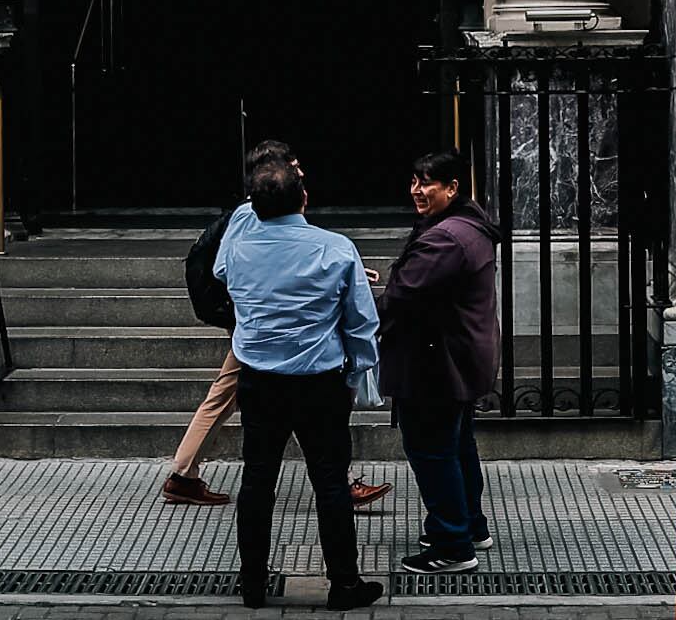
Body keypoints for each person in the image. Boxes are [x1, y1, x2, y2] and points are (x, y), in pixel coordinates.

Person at [168, 145, 389, 514]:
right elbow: (226, 267)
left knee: (230, 395)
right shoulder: (249, 213)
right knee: (246, 396)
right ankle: (183, 472)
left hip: (262, 323)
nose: (301, 174)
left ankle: (184, 472)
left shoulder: (283, 220)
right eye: (294, 166)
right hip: (262, 324)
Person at [215, 148, 387, 609]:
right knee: (330, 482)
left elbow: (223, 279)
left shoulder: (237, 248)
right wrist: (355, 372)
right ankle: (344, 584)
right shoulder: (334, 248)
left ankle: (252, 584)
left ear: (254, 206)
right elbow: (360, 323)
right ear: (304, 199)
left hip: (258, 378)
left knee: (257, 480)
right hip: (320, 381)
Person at [378, 149, 500, 576]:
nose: (417, 190)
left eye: (427, 182)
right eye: (414, 180)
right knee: (457, 446)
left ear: (452, 187)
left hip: (436, 365)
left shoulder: (445, 238)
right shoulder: (467, 226)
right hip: (459, 358)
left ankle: (452, 544)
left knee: (431, 451)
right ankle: (469, 525)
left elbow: (403, 297)